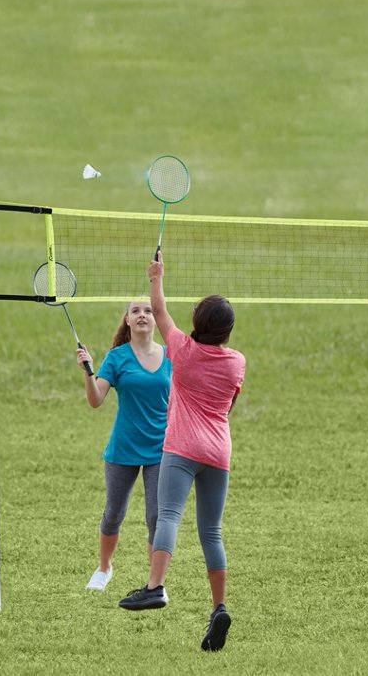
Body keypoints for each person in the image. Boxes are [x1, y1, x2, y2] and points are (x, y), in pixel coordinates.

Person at [117, 252, 246, 654]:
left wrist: (156, 275)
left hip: (182, 447)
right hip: (218, 451)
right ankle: (219, 607)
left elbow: (159, 310)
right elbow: (228, 407)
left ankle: (154, 587)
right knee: (212, 531)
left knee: (169, 514)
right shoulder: (237, 362)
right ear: (226, 332)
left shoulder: (182, 350)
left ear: (197, 324)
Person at [76, 301, 170, 592]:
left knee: (156, 517)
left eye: (148, 310)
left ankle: (154, 584)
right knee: (114, 512)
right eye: (136, 311)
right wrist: (88, 371)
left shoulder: (171, 356)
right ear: (127, 321)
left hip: (160, 449)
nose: (142, 314)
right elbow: (95, 400)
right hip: (124, 448)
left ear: (156, 320)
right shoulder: (117, 358)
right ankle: (104, 569)